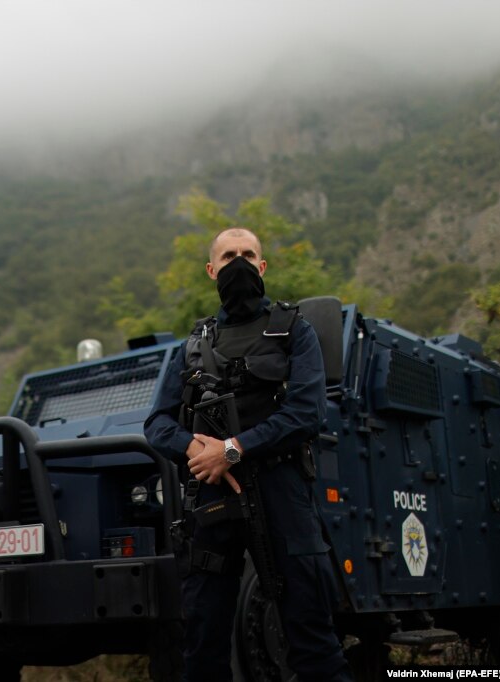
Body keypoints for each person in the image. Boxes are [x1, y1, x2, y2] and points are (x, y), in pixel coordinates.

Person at [144, 228, 351, 681]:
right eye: (228, 256)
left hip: (281, 491)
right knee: (203, 644)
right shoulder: (194, 344)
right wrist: (196, 448)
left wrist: (233, 450)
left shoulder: (295, 329)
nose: (238, 262)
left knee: (312, 639)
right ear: (211, 270)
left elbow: (307, 414)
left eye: (248, 254)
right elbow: (157, 425)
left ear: (262, 266)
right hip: (213, 500)